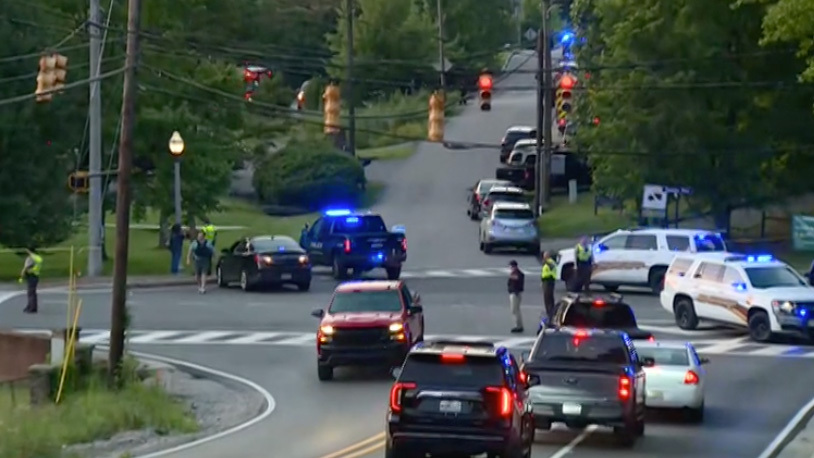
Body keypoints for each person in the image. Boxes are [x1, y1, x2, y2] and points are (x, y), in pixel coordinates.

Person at [18, 247, 42, 314]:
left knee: (30, 293)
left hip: (31, 276)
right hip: (36, 276)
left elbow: (26, 267)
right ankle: (31, 306)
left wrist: (21, 275)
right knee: (33, 292)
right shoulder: (37, 258)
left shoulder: (30, 258)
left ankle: (32, 308)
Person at [508, 260, 525, 333]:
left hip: (515, 294)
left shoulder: (517, 274)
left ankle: (518, 326)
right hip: (514, 293)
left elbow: (516, 281)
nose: (510, 268)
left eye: (511, 266)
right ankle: (519, 325)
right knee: (516, 310)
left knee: (515, 310)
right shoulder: (516, 273)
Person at [541, 251, 557, 321]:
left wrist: (546, 262)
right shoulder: (549, 262)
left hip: (549, 281)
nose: (543, 257)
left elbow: (550, 269)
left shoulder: (550, 262)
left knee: (548, 297)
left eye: (545, 256)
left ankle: (550, 312)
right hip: (546, 281)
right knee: (548, 297)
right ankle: (550, 311)